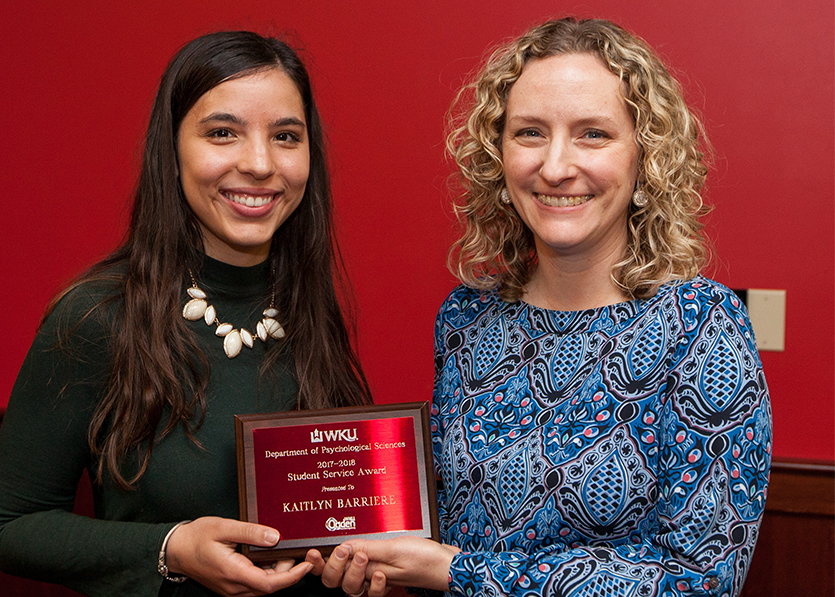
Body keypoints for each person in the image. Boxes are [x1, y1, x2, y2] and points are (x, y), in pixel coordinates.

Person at [313, 17, 772, 597]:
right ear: (498, 157)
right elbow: (454, 528)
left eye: (593, 135)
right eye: (529, 133)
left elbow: (703, 579)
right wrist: (375, 558)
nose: (555, 167)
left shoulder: (703, 325)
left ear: (645, 161)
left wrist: (455, 572)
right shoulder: (466, 319)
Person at [0, 31, 372, 597]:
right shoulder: (95, 315)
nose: (261, 163)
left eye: (286, 136)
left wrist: (356, 564)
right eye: (223, 133)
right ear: (171, 150)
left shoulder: (310, 311)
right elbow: (11, 528)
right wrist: (170, 549)